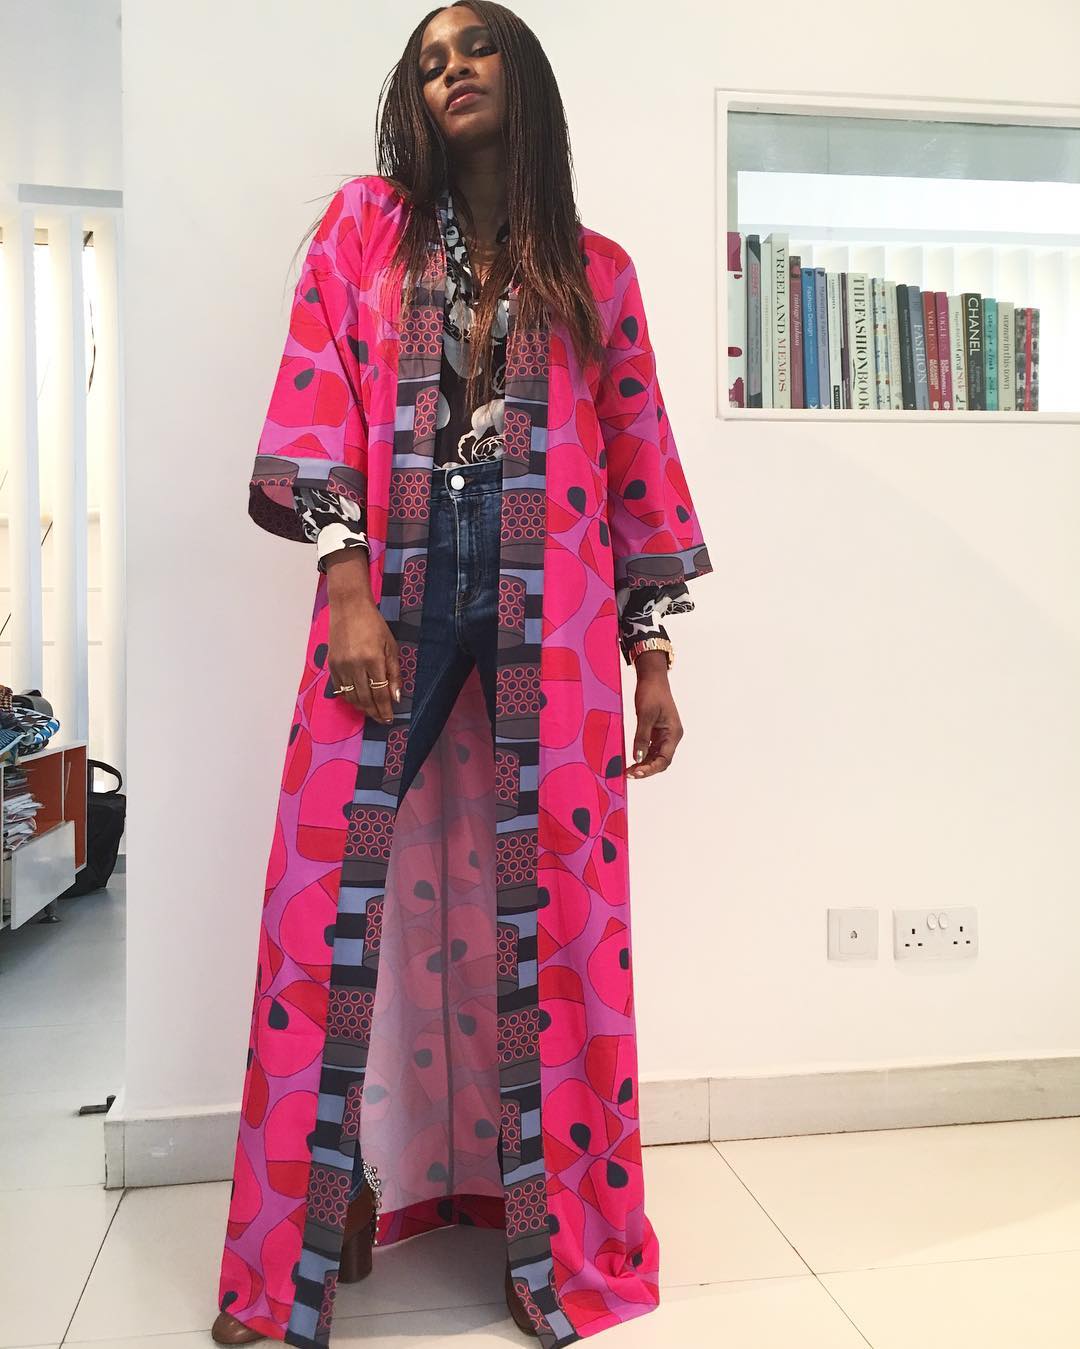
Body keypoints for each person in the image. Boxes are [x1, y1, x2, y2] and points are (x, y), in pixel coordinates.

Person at [212, 3, 713, 1345]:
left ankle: (557, 1237)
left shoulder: (597, 272)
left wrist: (652, 653)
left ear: (522, 74)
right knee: (327, 900)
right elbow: (319, 396)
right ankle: (300, 1243)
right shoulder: (365, 234)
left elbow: (635, 462)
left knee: (560, 907)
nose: (454, 71)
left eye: (477, 47)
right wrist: (347, 587)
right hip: (396, 588)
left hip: (560, 613)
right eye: (430, 61)